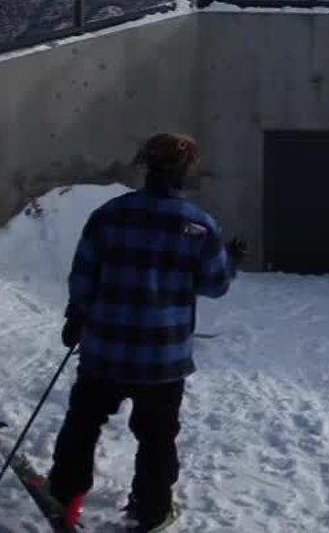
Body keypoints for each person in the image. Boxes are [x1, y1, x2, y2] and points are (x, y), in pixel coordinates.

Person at [47, 132, 247, 531]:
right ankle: (151, 511)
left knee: (83, 422)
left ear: (147, 166)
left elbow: (84, 274)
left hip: (104, 348)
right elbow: (215, 285)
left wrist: (76, 315)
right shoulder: (199, 226)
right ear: (185, 171)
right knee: (157, 437)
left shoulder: (109, 215)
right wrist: (232, 260)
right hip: (162, 358)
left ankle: (65, 496)